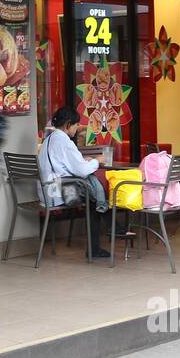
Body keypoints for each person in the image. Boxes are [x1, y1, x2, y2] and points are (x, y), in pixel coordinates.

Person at [38, 105, 113, 260]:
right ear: (67, 125)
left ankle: (110, 227)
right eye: (76, 124)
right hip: (59, 192)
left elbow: (66, 165)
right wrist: (97, 161)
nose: (78, 128)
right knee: (94, 195)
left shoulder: (49, 140)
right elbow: (81, 171)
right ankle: (103, 238)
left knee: (93, 193)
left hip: (46, 190)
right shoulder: (65, 142)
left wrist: (83, 161)